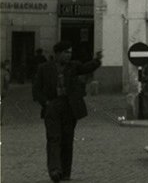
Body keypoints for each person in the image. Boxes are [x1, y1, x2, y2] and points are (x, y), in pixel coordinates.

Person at [32, 41, 102, 182]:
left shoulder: (73, 66)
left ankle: (65, 172)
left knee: (67, 139)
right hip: (52, 106)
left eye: (70, 52)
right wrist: (46, 103)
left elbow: (86, 68)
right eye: (66, 52)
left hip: (69, 106)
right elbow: (36, 89)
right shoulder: (44, 68)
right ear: (57, 54)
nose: (69, 55)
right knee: (53, 138)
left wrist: (97, 60)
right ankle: (55, 170)